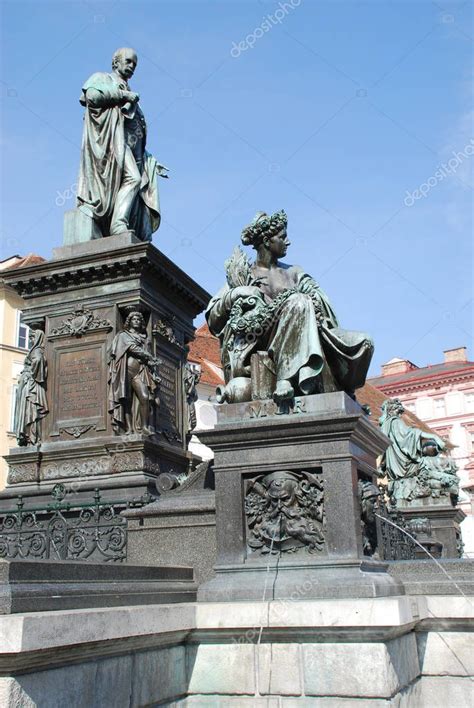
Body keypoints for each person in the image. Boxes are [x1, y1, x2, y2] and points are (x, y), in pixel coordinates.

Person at [206, 209, 374, 403]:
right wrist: (235, 294)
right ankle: (286, 379)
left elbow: (322, 302)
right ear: (267, 241)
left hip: (309, 330)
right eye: (282, 236)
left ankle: (344, 394)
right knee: (299, 301)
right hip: (262, 340)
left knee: (364, 343)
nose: (288, 241)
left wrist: (314, 297)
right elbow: (213, 319)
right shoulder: (245, 275)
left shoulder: (294, 273)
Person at [77, 48, 169, 240]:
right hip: (111, 145)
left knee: (137, 182)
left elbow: (135, 134)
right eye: (128, 61)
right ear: (115, 62)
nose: (131, 66)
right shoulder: (102, 79)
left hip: (131, 151)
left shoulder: (130, 93)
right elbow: (92, 96)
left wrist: (149, 161)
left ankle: (121, 223)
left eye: (134, 64)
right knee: (133, 179)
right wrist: (123, 96)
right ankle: (118, 223)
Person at [379, 398, 459, 505]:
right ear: (395, 411)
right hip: (405, 466)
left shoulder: (387, 425)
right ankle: (446, 481)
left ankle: (446, 481)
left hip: (399, 466)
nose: (400, 415)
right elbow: (409, 434)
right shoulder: (395, 422)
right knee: (434, 465)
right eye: (400, 412)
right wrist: (434, 436)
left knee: (437, 467)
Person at [108, 312, 161, 434]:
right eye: (134, 319)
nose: (136, 321)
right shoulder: (123, 335)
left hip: (140, 371)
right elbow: (132, 347)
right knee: (126, 398)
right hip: (126, 370)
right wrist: (148, 355)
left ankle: (144, 427)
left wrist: (153, 364)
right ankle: (129, 428)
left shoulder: (144, 338)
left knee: (145, 397)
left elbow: (147, 357)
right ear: (129, 322)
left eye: (139, 319)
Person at [15, 330, 48, 446]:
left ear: (38, 337)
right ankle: (30, 435)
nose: (30, 340)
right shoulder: (37, 350)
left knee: (31, 410)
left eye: (32, 337)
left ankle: (31, 436)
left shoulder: (37, 350)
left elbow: (38, 360)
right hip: (29, 385)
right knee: (30, 411)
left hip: (31, 386)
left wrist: (31, 373)